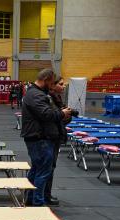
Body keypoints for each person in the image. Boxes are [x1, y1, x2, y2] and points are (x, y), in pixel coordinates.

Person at [20, 69, 72, 207]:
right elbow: (46, 114)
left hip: (38, 137)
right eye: (51, 82)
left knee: (37, 170)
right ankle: (37, 203)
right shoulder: (36, 95)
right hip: (40, 139)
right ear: (47, 79)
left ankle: (30, 199)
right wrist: (62, 113)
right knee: (43, 172)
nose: (52, 85)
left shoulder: (36, 93)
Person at [45, 76, 70, 206]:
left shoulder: (57, 99)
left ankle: (46, 194)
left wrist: (66, 115)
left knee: (50, 167)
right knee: (48, 168)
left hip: (55, 135)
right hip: (51, 136)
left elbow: (62, 119)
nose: (64, 86)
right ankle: (45, 196)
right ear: (53, 85)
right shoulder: (50, 99)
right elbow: (53, 118)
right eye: (61, 84)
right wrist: (63, 114)